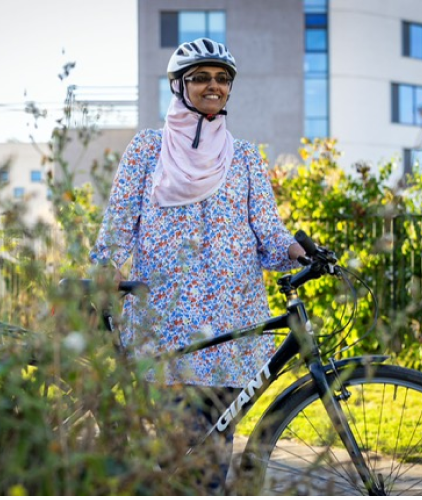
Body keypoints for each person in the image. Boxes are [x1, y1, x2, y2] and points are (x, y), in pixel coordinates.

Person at [90, 37, 307, 493]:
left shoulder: (245, 156)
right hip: (169, 324)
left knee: (212, 450)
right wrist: (106, 266)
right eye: (202, 78)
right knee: (184, 456)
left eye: (222, 79)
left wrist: (299, 251)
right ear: (178, 85)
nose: (214, 86)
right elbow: (117, 224)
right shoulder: (147, 149)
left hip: (232, 323)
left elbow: (267, 229)